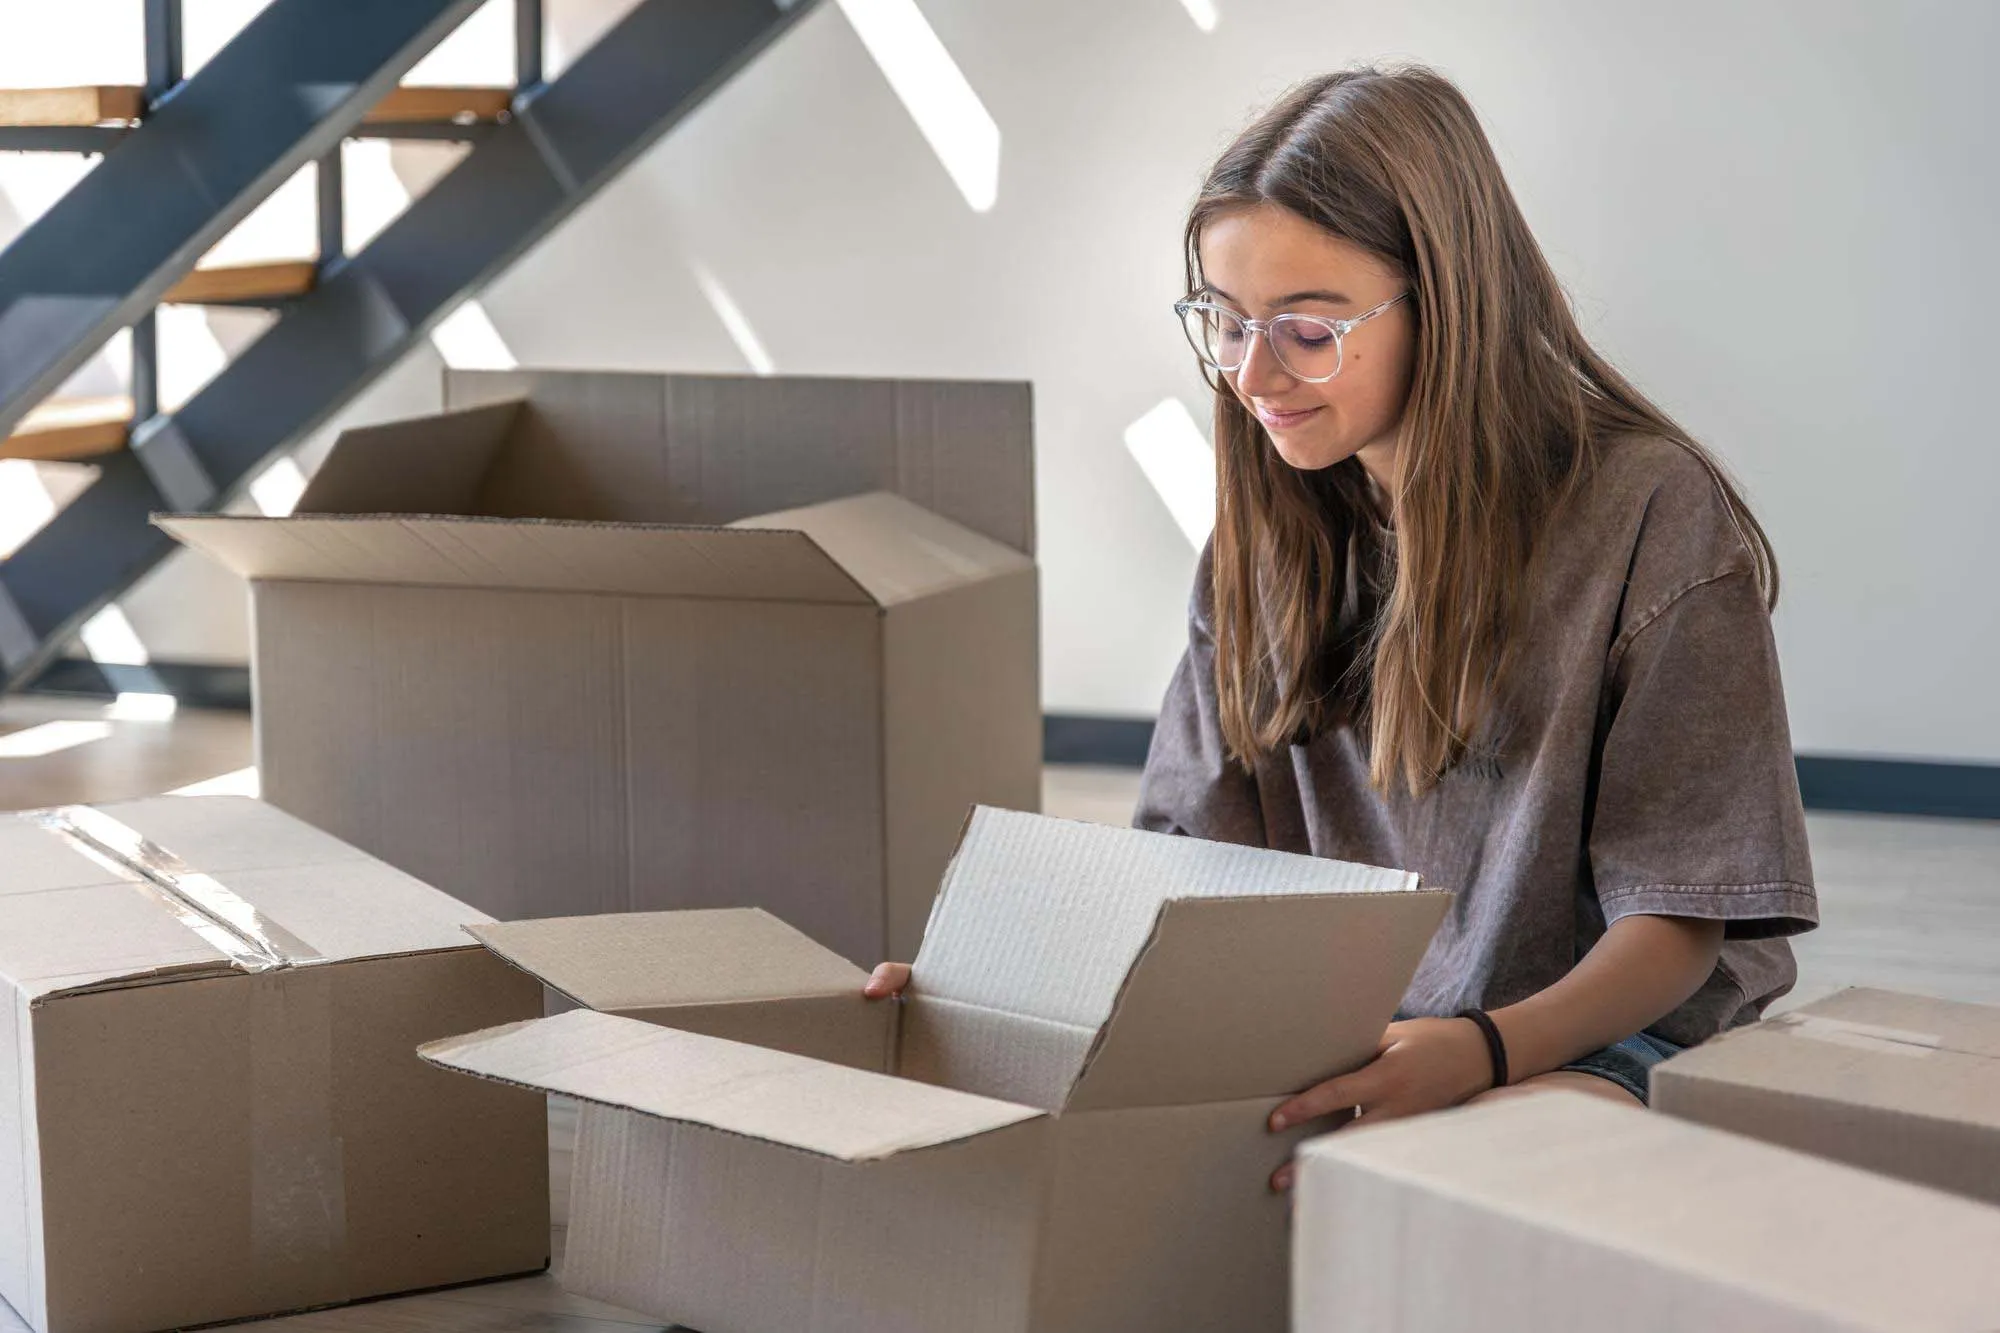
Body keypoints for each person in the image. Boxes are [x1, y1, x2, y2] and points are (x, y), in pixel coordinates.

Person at [868, 63, 1816, 1189]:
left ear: (1445, 299)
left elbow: (1676, 927)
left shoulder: (1647, 511)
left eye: (1305, 329)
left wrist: (1482, 1050)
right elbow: (1181, 874)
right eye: (1221, 322)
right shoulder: (1264, 543)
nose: (1249, 376)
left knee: (1481, 1180)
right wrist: (981, 993)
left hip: (1588, 1030)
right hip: (1351, 1028)